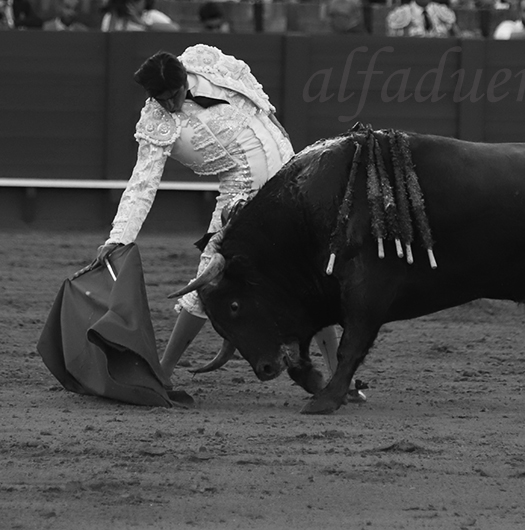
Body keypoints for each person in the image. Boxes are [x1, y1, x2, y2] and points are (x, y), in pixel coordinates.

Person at [91, 46, 344, 392]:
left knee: (308, 279)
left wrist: (280, 133)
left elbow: (257, 99)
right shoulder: (155, 122)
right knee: (208, 282)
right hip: (241, 199)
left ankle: (341, 377)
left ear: (184, 77)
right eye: (159, 99)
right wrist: (120, 236)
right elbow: (142, 183)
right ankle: (163, 372)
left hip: (291, 181)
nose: (169, 105)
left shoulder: (206, 62)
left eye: (174, 95)